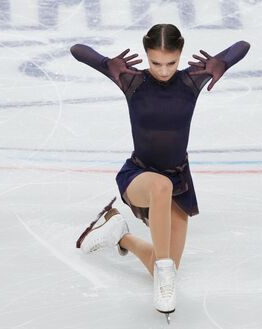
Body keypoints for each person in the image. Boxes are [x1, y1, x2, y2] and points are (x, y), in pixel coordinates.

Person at [70, 24, 250, 319]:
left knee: (162, 261)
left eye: (171, 63)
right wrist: (107, 64)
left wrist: (223, 62)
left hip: (179, 181)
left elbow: (242, 44)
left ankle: (119, 234)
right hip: (139, 177)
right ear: (146, 55)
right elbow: (78, 50)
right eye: (155, 63)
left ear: (180, 56)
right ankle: (164, 276)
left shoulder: (192, 81)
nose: (164, 70)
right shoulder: (131, 81)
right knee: (160, 189)